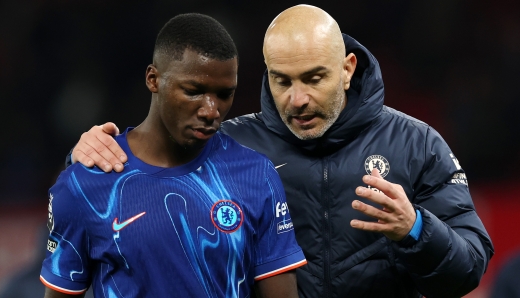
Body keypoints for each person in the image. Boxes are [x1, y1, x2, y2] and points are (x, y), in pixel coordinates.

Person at [69, 5, 494, 298]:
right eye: (282, 80)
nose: (297, 99)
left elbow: (469, 270)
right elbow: (140, 169)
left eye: (313, 78)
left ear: (347, 69)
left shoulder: (416, 144)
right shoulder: (227, 145)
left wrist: (416, 229)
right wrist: (88, 152)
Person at [40, 13, 306, 298]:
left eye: (224, 94)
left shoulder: (257, 175)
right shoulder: (85, 183)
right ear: (153, 79)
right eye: (193, 91)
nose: (211, 111)